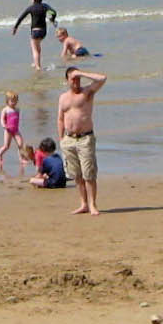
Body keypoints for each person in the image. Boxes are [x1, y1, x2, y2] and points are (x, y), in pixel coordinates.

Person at [58, 65, 105, 215]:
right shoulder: (63, 98)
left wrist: (82, 73)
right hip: (69, 139)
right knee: (76, 175)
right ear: (67, 81)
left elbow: (102, 78)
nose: (76, 82)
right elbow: (60, 119)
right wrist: (61, 139)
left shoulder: (87, 93)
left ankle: (92, 204)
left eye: (78, 79)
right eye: (73, 79)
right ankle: (83, 203)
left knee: (88, 174)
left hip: (85, 138)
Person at [12, 0, 58, 71]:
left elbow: (21, 18)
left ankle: (37, 67)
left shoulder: (31, 8)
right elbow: (53, 12)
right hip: (43, 32)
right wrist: (52, 19)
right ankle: (36, 62)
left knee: (34, 49)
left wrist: (15, 28)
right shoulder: (45, 6)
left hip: (35, 32)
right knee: (38, 47)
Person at [0, 92, 25, 176]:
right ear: (7, 101)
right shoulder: (5, 110)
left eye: (15, 101)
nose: (14, 102)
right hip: (8, 130)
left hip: (16, 130)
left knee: (20, 144)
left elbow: (16, 119)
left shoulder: (17, 109)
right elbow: (2, 120)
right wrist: (4, 125)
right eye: (12, 101)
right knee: (6, 146)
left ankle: (21, 158)